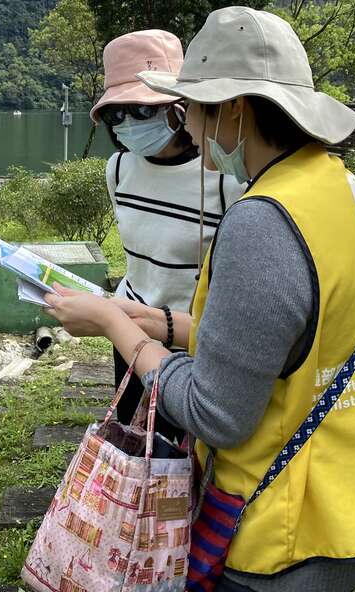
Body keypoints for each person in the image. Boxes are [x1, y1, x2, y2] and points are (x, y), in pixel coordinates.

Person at [45, 7, 355, 592]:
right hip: (351, 495)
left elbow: (214, 414)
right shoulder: (341, 186)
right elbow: (288, 339)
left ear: (234, 108)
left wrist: (118, 328)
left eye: (193, 105)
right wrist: (162, 323)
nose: (189, 127)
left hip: (283, 520)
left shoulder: (261, 220)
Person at [90, 29, 244, 439]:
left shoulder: (224, 178)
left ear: (180, 105)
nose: (127, 124)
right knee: (134, 443)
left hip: (192, 340)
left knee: (186, 454)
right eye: (115, 115)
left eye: (142, 110)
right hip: (128, 328)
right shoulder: (118, 170)